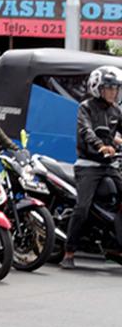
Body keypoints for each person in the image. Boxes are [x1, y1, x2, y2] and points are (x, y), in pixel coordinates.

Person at [61, 66, 122, 269]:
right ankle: (69, 252)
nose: (114, 92)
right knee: (82, 208)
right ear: (97, 88)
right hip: (88, 166)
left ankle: (115, 246)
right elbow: (86, 130)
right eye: (110, 88)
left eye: (116, 88)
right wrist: (100, 146)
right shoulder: (85, 107)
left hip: (109, 166)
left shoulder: (116, 110)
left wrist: (115, 145)